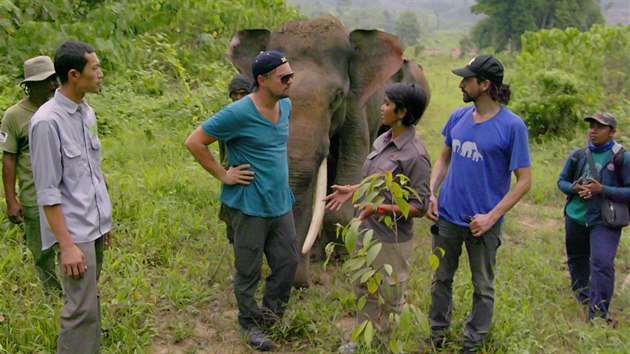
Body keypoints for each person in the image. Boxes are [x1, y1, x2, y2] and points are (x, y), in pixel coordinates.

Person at [184, 50, 298, 352]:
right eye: (283, 77)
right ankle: (249, 324)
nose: (290, 82)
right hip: (249, 205)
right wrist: (223, 174)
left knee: (288, 263)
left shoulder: (285, 106)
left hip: (280, 203)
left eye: (291, 76)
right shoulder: (238, 112)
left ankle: (270, 318)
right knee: (248, 270)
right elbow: (194, 142)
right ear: (261, 80)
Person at [423, 55, 531, 353]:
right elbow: (444, 157)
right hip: (447, 216)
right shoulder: (458, 116)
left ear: (485, 85)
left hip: (483, 224)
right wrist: (432, 192)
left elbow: (524, 181)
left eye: (467, 80)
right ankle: (437, 334)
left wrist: (492, 216)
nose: (461, 84)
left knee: (483, 286)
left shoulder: (512, 126)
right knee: (440, 278)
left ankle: (473, 343)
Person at [324, 83, 431, 353]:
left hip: (391, 239)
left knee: (391, 297)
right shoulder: (383, 140)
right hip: (367, 232)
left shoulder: (415, 155)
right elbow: (378, 184)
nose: (381, 108)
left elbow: (419, 206)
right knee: (364, 289)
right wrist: (354, 190)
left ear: (402, 111)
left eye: (386, 104)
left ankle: (386, 346)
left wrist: (379, 209)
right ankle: (362, 342)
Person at [29, 40, 113, 354]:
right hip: (74, 232)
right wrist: (67, 246)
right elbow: (48, 193)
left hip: (93, 225)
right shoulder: (47, 122)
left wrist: (104, 221)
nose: (101, 74)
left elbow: (91, 173)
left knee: (89, 302)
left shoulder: (85, 113)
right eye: (95, 68)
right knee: (80, 308)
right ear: (74, 74)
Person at [557, 112, 629, 322]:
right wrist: (574, 187)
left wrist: (602, 189)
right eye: (591, 126)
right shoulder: (578, 155)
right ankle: (584, 298)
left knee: (602, 263)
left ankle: (598, 314)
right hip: (576, 216)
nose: (593, 131)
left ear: (612, 132)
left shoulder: (622, 158)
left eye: (600, 127)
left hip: (605, 220)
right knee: (577, 259)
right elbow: (561, 182)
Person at [1, 55, 61, 292]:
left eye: (52, 80)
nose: (51, 86)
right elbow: (9, 159)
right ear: (30, 85)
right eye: (45, 81)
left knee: (70, 247)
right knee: (42, 253)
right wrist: (11, 200)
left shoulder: (61, 109)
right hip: (33, 197)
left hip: (62, 192)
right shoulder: (14, 116)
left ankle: (74, 298)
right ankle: (53, 295)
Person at [218, 74, 252, 244]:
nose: (239, 98)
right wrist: (224, 173)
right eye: (235, 94)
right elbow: (222, 150)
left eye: (243, 93)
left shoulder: (257, 115)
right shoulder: (226, 117)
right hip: (232, 172)